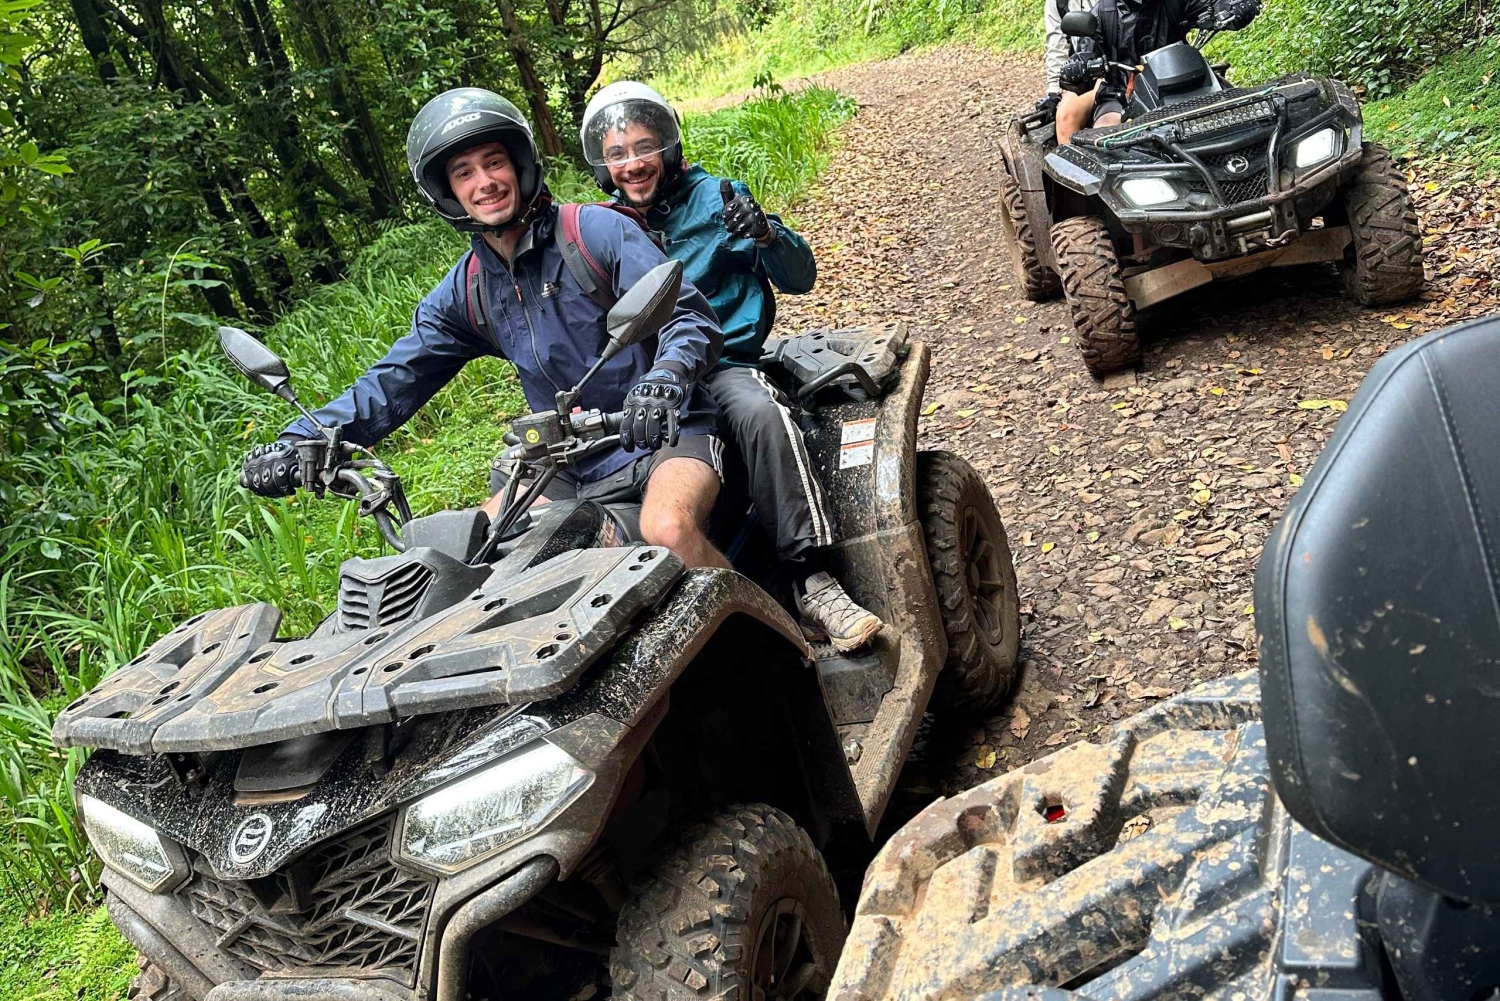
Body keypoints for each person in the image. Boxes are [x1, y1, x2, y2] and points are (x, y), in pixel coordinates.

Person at [239, 88, 732, 570]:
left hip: (664, 430)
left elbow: (688, 316)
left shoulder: (595, 233)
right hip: (561, 462)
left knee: (666, 529)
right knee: (459, 557)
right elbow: (391, 382)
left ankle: (776, 636)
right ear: (447, 192)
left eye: (494, 162)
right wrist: (298, 441)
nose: (485, 182)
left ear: (519, 166)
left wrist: (665, 377)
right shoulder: (468, 289)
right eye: (463, 173)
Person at [577, 82, 883, 652]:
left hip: (722, 362)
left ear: (668, 146)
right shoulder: (598, 226)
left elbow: (800, 276)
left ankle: (808, 575)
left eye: (644, 146)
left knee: (759, 413)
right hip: (651, 383)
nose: (633, 163)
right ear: (602, 164)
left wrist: (766, 232)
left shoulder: (714, 197)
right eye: (617, 154)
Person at [1056, 0, 1260, 145]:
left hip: (1185, 83)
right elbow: (1085, 52)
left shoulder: (1174, 2)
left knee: (1243, 116)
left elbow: (1211, 7)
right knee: (1105, 137)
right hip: (1120, 96)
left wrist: (1234, 7)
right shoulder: (1103, 11)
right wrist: (1079, 65)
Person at [1038, 0, 1094, 124]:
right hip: (1085, 75)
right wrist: (1054, 93)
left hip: (1123, 69)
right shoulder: (1058, 3)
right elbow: (1057, 47)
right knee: (1065, 117)